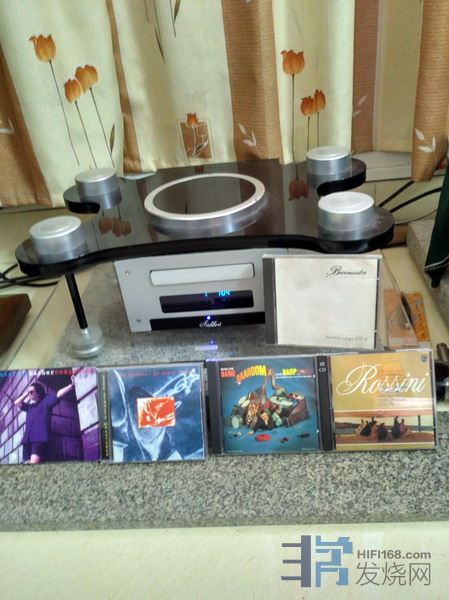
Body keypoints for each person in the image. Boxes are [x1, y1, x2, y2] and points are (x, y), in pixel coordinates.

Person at [14, 377, 75, 464]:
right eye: (29, 392)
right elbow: (17, 402)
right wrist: (27, 393)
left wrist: (71, 385)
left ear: (38, 393)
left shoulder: (45, 402)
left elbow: (58, 394)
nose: (29, 394)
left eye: (31, 392)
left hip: (39, 438)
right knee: (26, 463)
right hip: (27, 439)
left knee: (33, 463)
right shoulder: (29, 407)